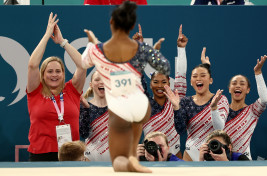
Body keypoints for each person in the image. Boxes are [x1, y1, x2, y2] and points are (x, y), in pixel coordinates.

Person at [81, 1, 170, 172]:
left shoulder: (98, 50)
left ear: (111, 22)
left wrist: (91, 43)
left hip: (120, 108)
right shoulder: (141, 48)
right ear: (132, 26)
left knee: (117, 162)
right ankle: (132, 156)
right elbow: (164, 66)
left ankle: (128, 159)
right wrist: (153, 51)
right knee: (135, 124)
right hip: (142, 106)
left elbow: (84, 63)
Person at [27, 13, 86, 161]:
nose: (54, 75)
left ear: (63, 74)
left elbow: (83, 65)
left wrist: (62, 42)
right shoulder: (35, 91)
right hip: (41, 155)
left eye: (58, 71)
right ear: (43, 74)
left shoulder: (72, 90)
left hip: (71, 155)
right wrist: (47, 35)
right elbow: (33, 64)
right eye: (50, 71)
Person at [164, 48, 229, 161]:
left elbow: (219, 128)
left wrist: (213, 108)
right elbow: (181, 131)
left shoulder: (220, 99)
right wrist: (176, 108)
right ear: (190, 81)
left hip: (215, 152)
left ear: (211, 80)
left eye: (203, 75)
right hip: (191, 153)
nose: (198, 78)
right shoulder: (185, 102)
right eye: (194, 76)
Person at [133, 24, 188, 158]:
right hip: (149, 157)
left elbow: (181, 73)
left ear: (170, 83)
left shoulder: (176, 98)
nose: (160, 85)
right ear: (150, 85)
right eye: (156, 82)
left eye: (164, 82)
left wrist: (181, 49)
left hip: (175, 155)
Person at [224, 55, 267, 160]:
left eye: (242, 84)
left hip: (244, 161)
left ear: (248, 90)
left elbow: (264, 99)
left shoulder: (253, 111)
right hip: (222, 159)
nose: (238, 86)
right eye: (234, 83)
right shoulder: (222, 110)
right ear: (229, 89)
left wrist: (258, 73)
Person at [79, 71, 110, 161]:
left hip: (115, 159)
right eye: (97, 80)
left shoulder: (117, 106)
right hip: (91, 158)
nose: (101, 82)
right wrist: (86, 109)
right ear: (91, 84)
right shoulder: (84, 106)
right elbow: (84, 134)